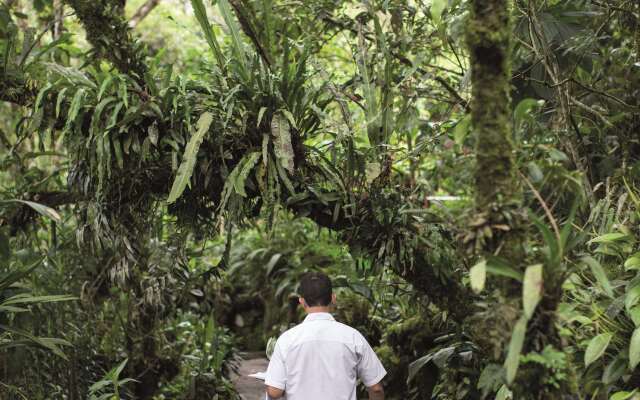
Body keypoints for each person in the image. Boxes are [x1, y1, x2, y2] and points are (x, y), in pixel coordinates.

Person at [264, 271, 386, 400]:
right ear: (333, 298)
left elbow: (274, 391)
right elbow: (376, 389)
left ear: (302, 301)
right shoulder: (353, 337)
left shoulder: (287, 340)